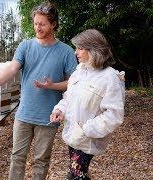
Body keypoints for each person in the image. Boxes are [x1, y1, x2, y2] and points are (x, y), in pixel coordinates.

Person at [0, 2, 77, 180]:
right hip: (24, 114)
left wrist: (52, 86)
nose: (37, 27)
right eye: (35, 23)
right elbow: (12, 69)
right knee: (17, 157)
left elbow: (74, 83)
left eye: (42, 24)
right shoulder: (25, 46)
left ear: (53, 24)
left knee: (41, 160)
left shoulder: (66, 52)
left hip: (49, 116)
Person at [50, 29, 125, 180]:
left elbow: (114, 114)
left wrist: (88, 129)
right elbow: (68, 98)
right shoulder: (79, 72)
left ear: (93, 49)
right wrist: (59, 110)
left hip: (88, 138)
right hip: (73, 135)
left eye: (79, 48)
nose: (75, 52)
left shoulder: (110, 77)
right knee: (78, 174)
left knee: (76, 175)